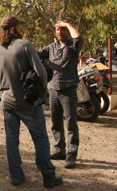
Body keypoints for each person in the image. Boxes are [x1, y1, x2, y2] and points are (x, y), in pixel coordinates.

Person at [0, 16, 62, 188]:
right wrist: (42, 94)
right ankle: (48, 175)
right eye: (19, 26)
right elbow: (42, 73)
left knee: (12, 139)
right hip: (27, 101)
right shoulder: (25, 45)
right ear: (14, 28)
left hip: (7, 100)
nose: (21, 29)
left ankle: (16, 175)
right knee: (40, 139)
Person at [38, 20, 84, 169]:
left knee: (70, 122)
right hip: (53, 89)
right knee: (55, 122)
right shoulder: (51, 47)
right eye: (57, 29)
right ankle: (59, 149)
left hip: (68, 89)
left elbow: (79, 39)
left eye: (62, 29)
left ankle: (71, 154)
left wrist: (68, 25)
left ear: (67, 31)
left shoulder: (72, 47)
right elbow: (38, 55)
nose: (59, 32)